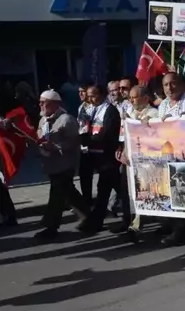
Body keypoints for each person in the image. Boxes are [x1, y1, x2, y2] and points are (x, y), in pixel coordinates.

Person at [33, 90, 88, 240]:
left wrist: (56, 146)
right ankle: (89, 216)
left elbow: (75, 141)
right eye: (40, 102)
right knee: (69, 192)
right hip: (51, 163)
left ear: (55, 103)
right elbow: (39, 133)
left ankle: (51, 226)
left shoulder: (66, 120)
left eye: (44, 102)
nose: (40, 105)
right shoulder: (43, 120)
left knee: (56, 195)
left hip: (65, 164)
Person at [110, 85, 159, 243]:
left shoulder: (153, 113)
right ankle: (127, 221)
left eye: (134, 97)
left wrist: (149, 123)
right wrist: (120, 149)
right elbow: (123, 135)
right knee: (126, 192)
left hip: (145, 162)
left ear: (145, 98)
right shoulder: (129, 113)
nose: (131, 100)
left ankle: (136, 227)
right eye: (130, 97)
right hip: (128, 160)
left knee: (143, 193)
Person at [157, 73, 185, 247]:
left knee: (184, 193)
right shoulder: (163, 105)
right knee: (172, 193)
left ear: (182, 85)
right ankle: (178, 226)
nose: (169, 88)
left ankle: (180, 233)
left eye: (173, 84)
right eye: (166, 85)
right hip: (169, 154)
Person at [79, 85, 121, 235]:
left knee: (107, 189)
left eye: (93, 95)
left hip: (108, 157)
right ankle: (95, 221)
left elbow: (108, 133)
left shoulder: (109, 110)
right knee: (108, 189)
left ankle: (96, 222)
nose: (90, 99)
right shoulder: (92, 109)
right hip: (96, 156)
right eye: (88, 96)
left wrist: (89, 140)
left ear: (102, 94)